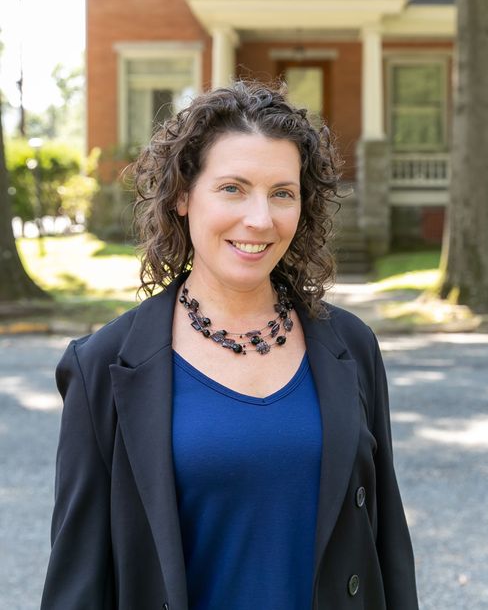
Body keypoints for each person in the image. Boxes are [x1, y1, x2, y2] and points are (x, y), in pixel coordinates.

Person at [41, 80, 419, 610]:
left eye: (282, 193)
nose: (260, 219)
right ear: (180, 195)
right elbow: (77, 581)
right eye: (233, 188)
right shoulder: (102, 365)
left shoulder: (351, 346)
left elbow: (387, 550)